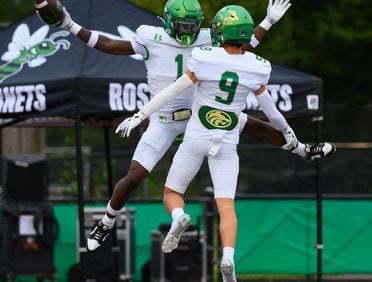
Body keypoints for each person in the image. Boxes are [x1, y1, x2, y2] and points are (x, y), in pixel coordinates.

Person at [37, 0, 336, 253]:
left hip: (199, 115)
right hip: (165, 119)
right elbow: (109, 44)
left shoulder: (209, 39)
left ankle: (302, 149)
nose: (189, 33)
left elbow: (240, 47)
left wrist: (267, 22)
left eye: (193, 26)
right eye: (183, 27)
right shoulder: (150, 38)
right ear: (167, 23)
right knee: (135, 176)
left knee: (252, 123)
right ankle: (107, 221)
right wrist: (70, 25)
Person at [115, 4, 322, 281]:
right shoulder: (256, 66)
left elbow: (172, 90)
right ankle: (228, 257)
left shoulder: (204, 56)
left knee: (172, 194)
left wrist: (140, 115)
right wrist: (289, 134)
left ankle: (179, 217)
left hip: (197, 134)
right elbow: (272, 111)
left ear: (220, 32)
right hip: (227, 139)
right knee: (226, 207)